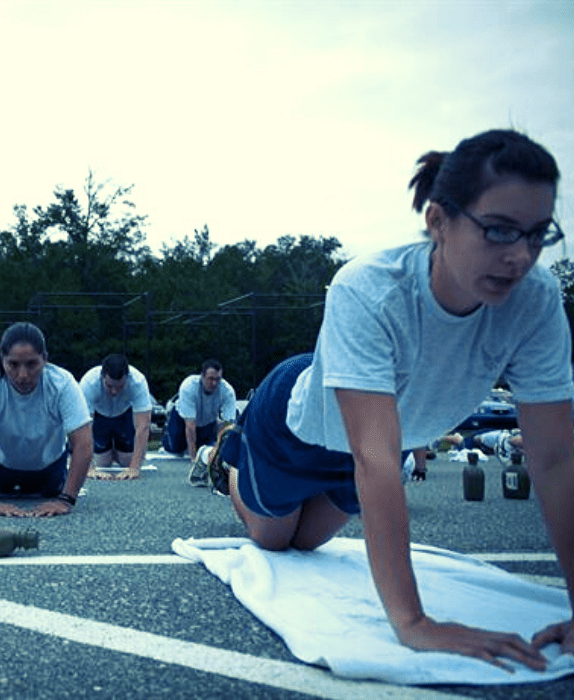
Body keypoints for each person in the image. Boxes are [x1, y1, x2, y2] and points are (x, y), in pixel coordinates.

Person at [215, 129, 573, 668]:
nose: (520, 257)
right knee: (273, 540)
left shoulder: (536, 301)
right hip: (298, 424)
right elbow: (375, 460)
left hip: (378, 439)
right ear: (438, 221)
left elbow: (556, 459)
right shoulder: (367, 288)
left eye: (537, 234)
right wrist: (413, 623)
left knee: (308, 545)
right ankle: (229, 459)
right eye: (498, 231)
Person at [0, 322, 93, 517]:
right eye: (13, 365)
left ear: (44, 360)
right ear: (2, 359)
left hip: (49, 469)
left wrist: (66, 500)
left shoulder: (62, 383)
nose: (22, 375)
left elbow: (84, 441)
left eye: (31, 364)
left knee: (52, 485)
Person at [161, 360, 237, 484]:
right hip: (182, 418)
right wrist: (193, 459)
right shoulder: (189, 386)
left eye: (217, 379)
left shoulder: (227, 391)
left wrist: (219, 453)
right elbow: (190, 426)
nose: (214, 383)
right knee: (176, 448)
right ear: (202, 376)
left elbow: (227, 425)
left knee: (206, 448)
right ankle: (167, 436)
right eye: (210, 378)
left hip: (207, 422)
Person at [79, 354, 153, 480]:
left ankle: (118, 451)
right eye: (109, 386)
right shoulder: (88, 382)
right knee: (103, 463)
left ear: (127, 378)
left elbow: (143, 426)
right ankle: (109, 452)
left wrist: (134, 468)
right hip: (99, 415)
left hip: (124, 414)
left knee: (126, 461)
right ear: (102, 377)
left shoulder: (138, 381)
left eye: (120, 386)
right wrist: (90, 468)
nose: (114, 392)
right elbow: (83, 427)